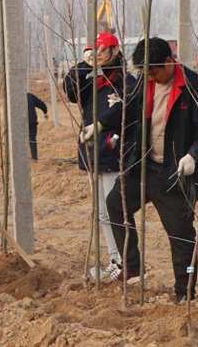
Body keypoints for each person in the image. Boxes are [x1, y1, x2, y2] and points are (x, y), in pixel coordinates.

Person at [98, 37, 198, 302]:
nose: (150, 76)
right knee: (115, 205)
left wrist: (194, 155)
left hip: (174, 173)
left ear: (169, 62)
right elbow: (125, 108)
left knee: (182, 237)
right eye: (145, 72)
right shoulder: (144, 82)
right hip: (142, 167)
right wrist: (101, 125)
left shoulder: (196, 88)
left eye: (154, 71)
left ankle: (184, 293)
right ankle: (132, 268)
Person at [63, 31, 134, 280]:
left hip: (115, 154)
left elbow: (126, 107)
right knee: (103, 212)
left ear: (115, 51)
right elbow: (70, 90)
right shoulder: (92, 81)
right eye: (95, 51)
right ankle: (116, 260)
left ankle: (126, 262)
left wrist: (102, 125)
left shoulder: (124, 81)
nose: (99, 56)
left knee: (115, 210)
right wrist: (84, 64)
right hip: (95, 154)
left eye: (103, 51)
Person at [26, 92, 48, 161]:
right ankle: (34, 158)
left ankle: (21, 157)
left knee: (19, 139)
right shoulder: (29, 96)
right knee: (32, 138)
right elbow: (41, 104)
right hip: (32, 121)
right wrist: (45, 111)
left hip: (20, 122)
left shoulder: (14, 97)